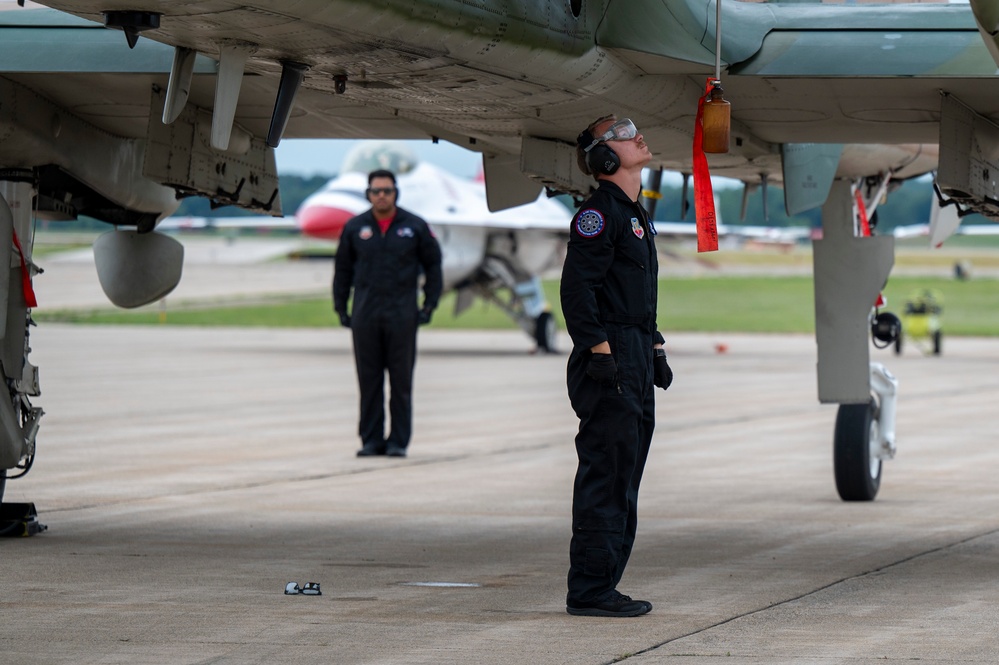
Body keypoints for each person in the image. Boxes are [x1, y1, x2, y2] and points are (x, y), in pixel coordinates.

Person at [559, 115, 673, 618]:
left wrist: (654, 347)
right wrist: (601, 354)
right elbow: (577, 292)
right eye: (624, 134)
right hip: (610, 358)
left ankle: (604, 582)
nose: (638, 136)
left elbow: (633, 294)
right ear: (606, 158)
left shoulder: (634, 214)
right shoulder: (598, 215)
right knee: (607, 473)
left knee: (625, 474)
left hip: (632, 350)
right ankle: (589, 589)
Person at [333, 169, 443, 458]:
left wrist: (429, 304)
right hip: (366, 315)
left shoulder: (415, 227)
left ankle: (398, 442)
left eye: (387, 191)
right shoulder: (355, 227)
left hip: (402, 315)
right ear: (368, 194)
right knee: (369, 382)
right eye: (376, 191)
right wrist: (340, 307)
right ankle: (371, 440)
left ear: (396, 193)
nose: (381, 196)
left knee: (401, 383)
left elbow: (433, 266)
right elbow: (343, 270)